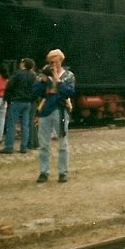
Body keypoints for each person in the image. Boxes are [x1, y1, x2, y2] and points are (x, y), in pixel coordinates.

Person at [33, 49, 75, 183]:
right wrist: (43, 81)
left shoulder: (68, 76)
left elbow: (69, 92)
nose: (53, 64)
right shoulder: (44, 75)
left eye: (55, 61)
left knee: (63, 143)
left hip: (61, 110)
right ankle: (43, 172)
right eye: (50, 62)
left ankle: (63, 172)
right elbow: (35, 92)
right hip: (45, 110)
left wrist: (58, 81)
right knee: (44, 144)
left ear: (61, 60)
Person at [0, 58, 37, 154]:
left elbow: (9, 86)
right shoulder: (33, 75)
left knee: (12, 124)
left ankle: (9, 147)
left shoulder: (17, 73)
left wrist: (6, 99)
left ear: (23, 64)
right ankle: (24, 147)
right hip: (28, 102)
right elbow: (35, 89)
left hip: (16, 101)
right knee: (25, 125)